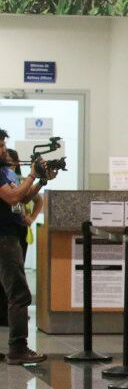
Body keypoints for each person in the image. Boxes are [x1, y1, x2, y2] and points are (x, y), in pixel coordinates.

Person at [0, 130, 52, 364]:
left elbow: (23, 197)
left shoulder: (6, 171)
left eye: (4, 145)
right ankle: (18, 348)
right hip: (3, 237)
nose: (3, 149)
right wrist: (31, 174)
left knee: (14, 291)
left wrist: (41, 180)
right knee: (19, 293)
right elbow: (12, 198)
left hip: (11, 235)